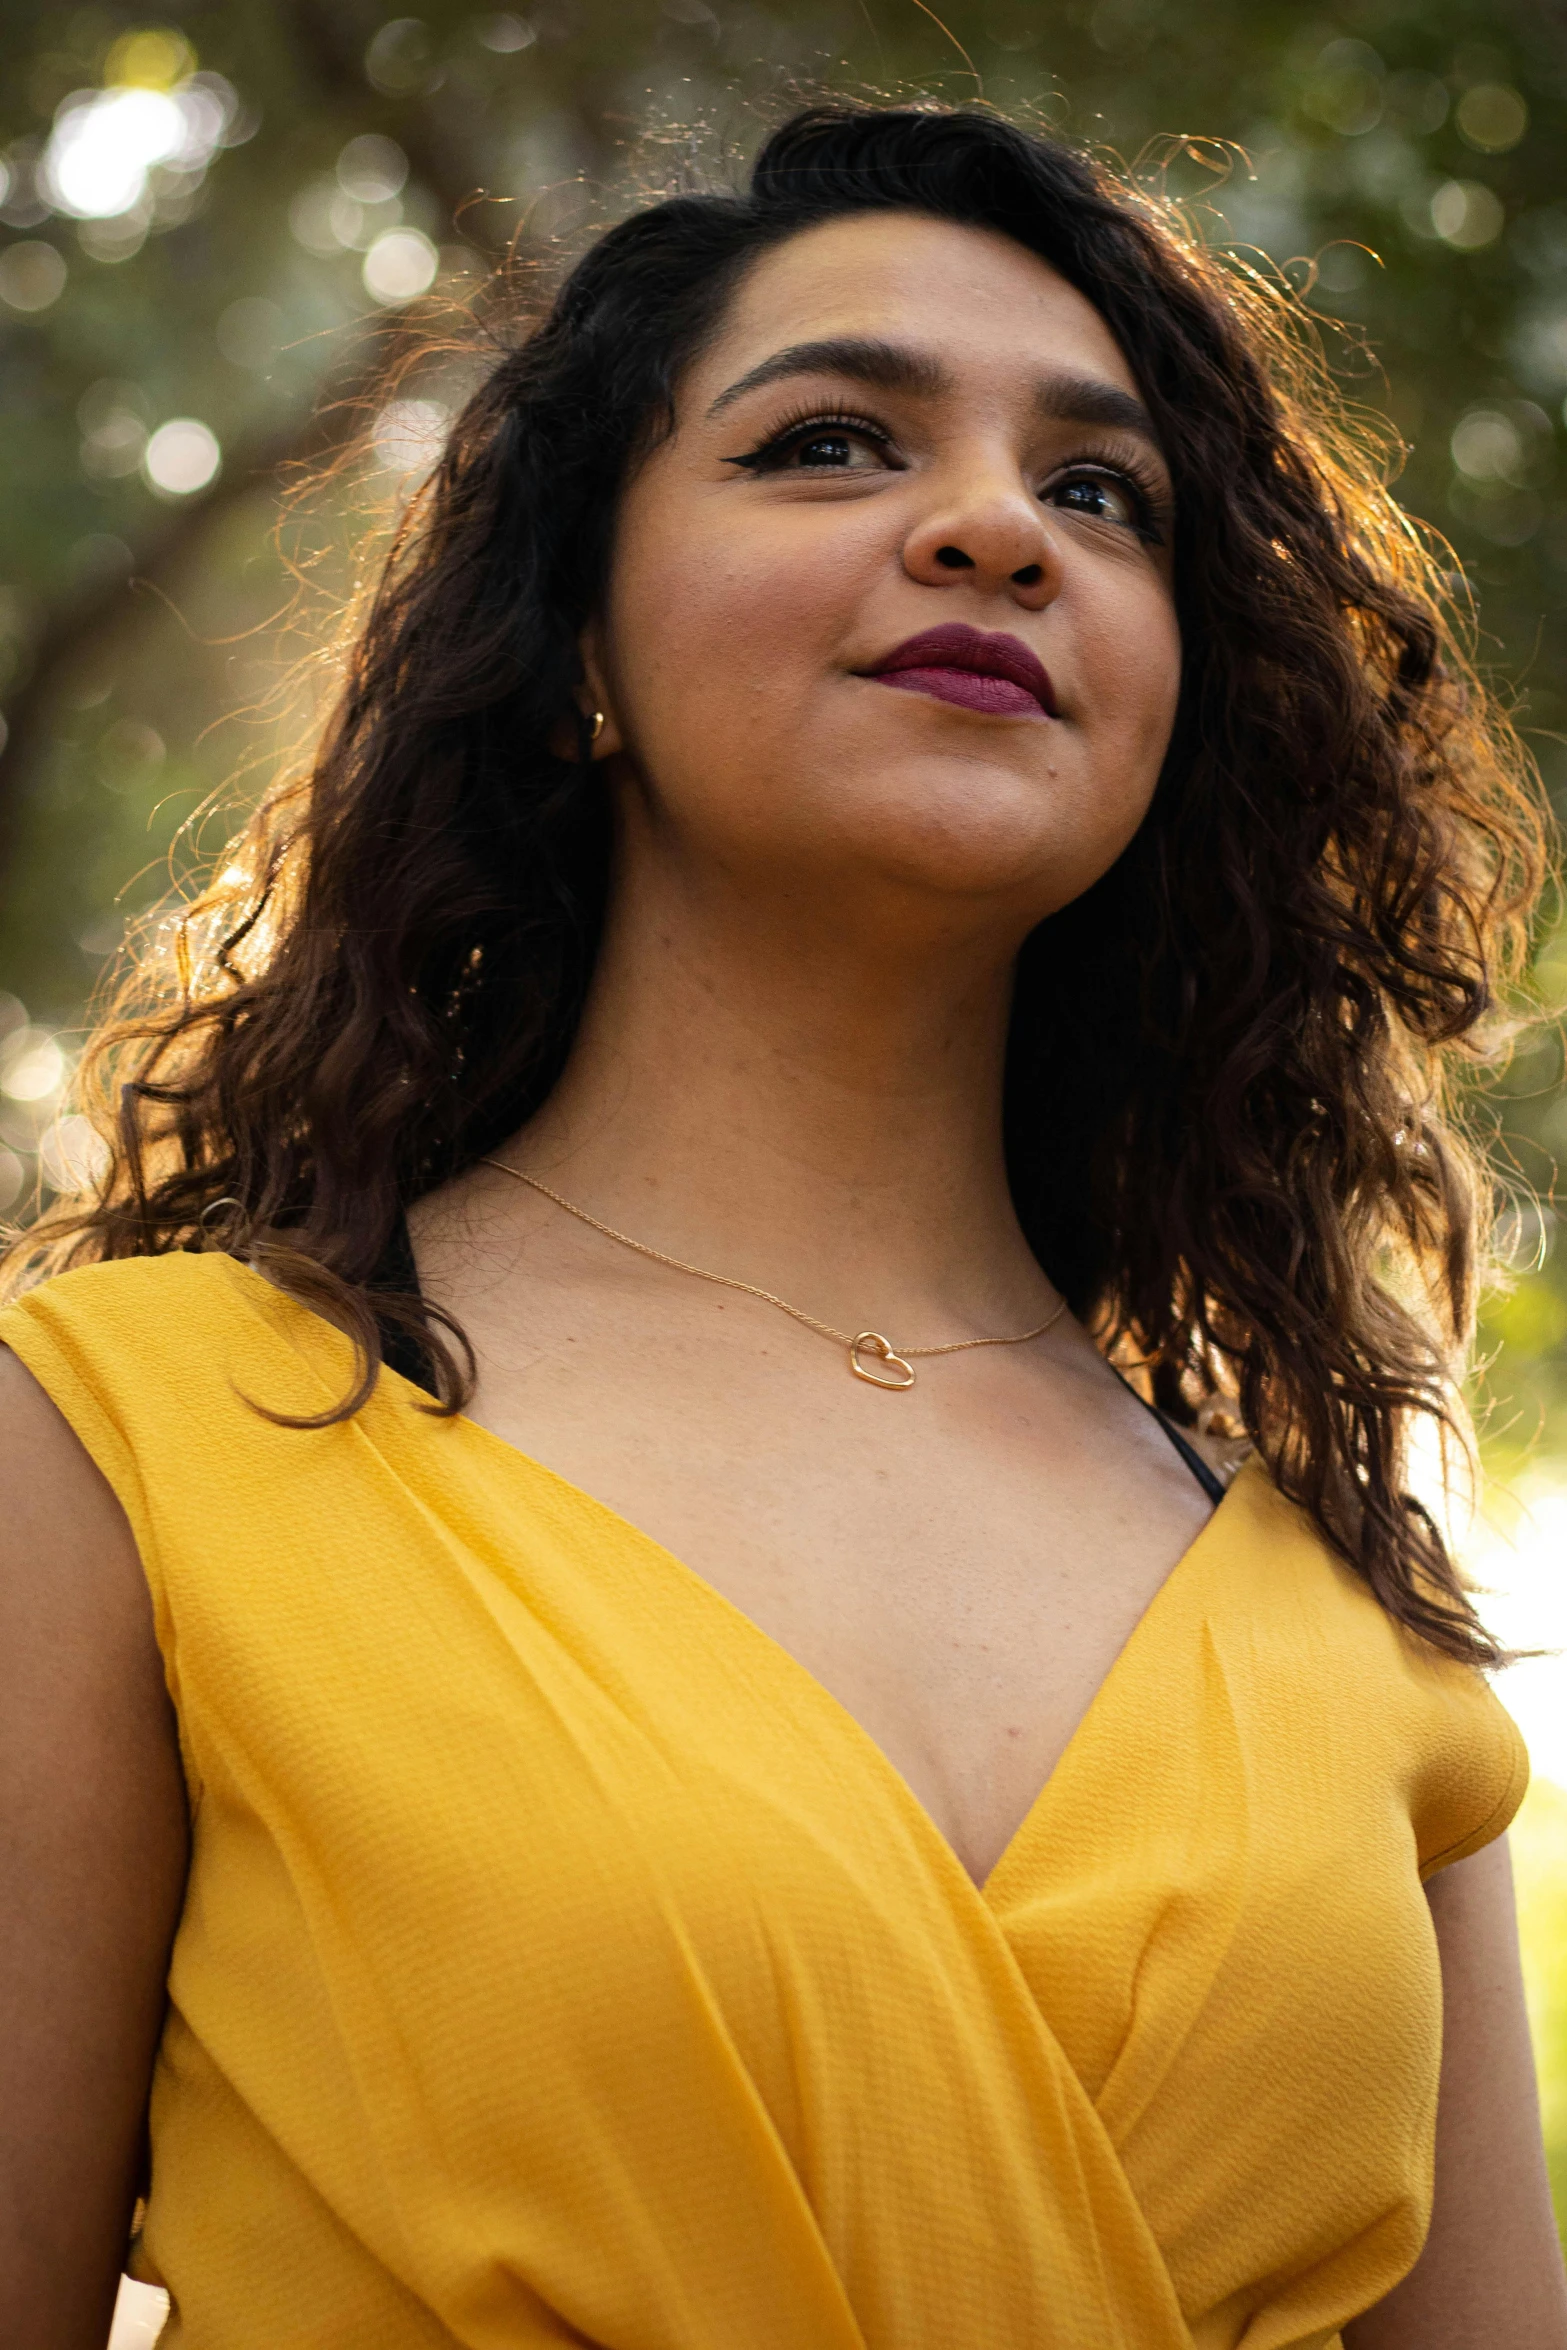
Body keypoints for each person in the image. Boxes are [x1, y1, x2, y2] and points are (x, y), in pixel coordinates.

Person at [2, 98, 1564, 2350]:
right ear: (574, 653)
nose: (994, 530)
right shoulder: (130, 1455)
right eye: (832, 443)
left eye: (1097, 490)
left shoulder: (1355, 1610)